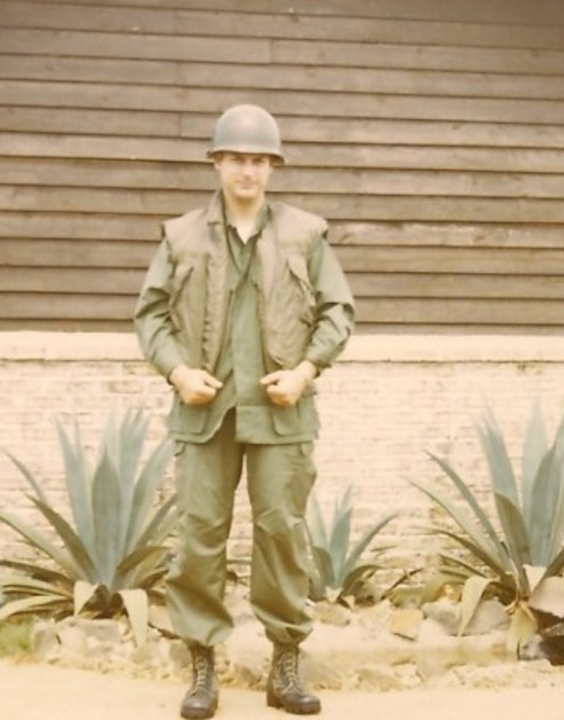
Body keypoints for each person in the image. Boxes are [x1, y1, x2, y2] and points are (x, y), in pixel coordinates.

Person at [134, 104, 355, 718]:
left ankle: (285, 668)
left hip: (280, 413)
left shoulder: (306, 234)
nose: (247, 171)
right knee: (200, 538)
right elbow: (149, 314)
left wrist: (305, 371)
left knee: (282, 535)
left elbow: (339, 312)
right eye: (236, 158)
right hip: (206, 415)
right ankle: (203, 670)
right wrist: (178, 371)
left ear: (273, 168)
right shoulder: (180, 235)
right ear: (217, 162)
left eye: (259, 160)